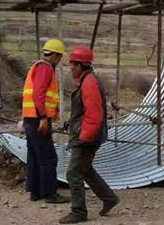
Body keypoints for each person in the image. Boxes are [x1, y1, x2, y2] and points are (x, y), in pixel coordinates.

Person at [59, 46, 119, 224]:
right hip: (87, 134)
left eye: (71, 65)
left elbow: (94, 114)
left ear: (79, 66)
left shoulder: (89, 82)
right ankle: (109, 198)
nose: (70, 69)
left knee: (73, 173)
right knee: (85, 169)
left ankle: (79, 212)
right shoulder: (87, 80)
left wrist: (83, 139)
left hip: (86, 137)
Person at [21, 39, 69, 204]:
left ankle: (35, 192)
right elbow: (38, 93)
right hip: (38, 119)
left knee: (35, 155)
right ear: (54, 55)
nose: (59, 60)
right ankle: (50, 193)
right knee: (48, 157)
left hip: (30, 118)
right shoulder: (45, 68)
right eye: (59, 56)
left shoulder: (38, 66)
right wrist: (43, 118)